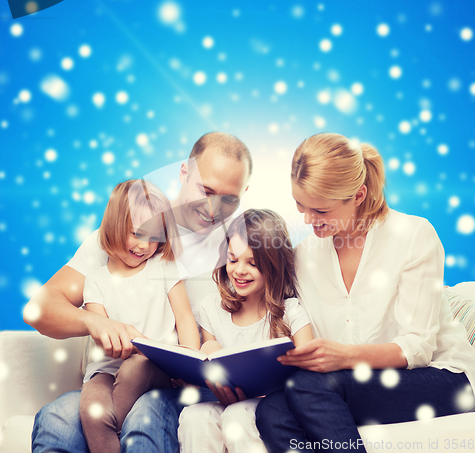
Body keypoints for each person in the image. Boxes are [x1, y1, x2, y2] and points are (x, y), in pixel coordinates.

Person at [255, 133, 475, 453]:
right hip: (352, 382)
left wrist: (344, 356)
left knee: (310, 387)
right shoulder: (305, 255)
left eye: (321, 211)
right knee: (272, 411)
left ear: (359, 194)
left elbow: (417, 347)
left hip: (441, 377)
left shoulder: (413, 235)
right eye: (300, 206)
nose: (308, 221)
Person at [25, 132, 252, 453]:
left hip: (181, 387)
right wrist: (96, 323)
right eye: (206, 190)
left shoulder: (239, 251)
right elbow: (40, 309)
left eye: (230, 199)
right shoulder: (118, 237)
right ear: (184, 172)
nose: (214, 208)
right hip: (112, 378)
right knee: (58, 419)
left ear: (245, 194)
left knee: (144, 415)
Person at [78, 179, 200, 453]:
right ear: (113, 227)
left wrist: (189, 364)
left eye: (154, 236)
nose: (145, 245)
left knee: (135, 368)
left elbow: (186, 319)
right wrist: (132, 340)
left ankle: (119, 431)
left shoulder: (164, 265)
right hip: (107, 370)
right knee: (92, 410)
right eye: (136, 233)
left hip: (157, 367)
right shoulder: (95, 281)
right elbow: (104, 337)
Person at [178, 209, 313, 453]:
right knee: (194, 417)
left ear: (273, 265)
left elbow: (309, 375)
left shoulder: (291, 312)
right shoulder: (211, 308)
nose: (239, 270)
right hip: (223, 400)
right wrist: (208, 351)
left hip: (272, 405)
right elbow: (209, 362)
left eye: (252, 263)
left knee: (238, 417)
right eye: (232, 259)